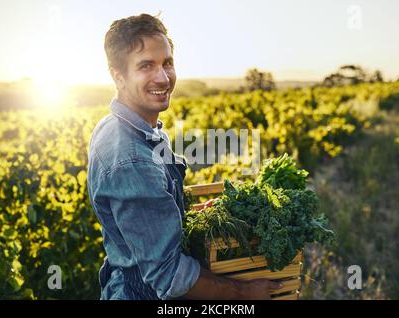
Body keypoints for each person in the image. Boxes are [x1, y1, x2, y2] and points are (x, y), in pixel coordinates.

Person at [87, 13, 283, 300]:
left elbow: (141, 224)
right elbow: (169, 276)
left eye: (167, 63)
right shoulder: (131, 158)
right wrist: (245, 294)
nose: (163, 77)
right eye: (146, 66)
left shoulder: (129, 127)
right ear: (118, 76)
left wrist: (183, 216)